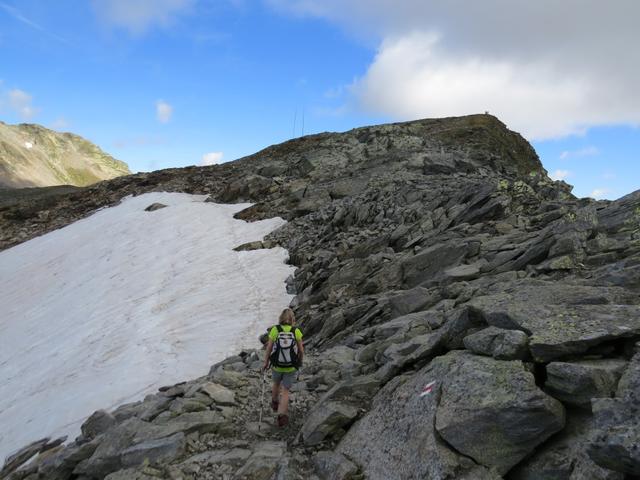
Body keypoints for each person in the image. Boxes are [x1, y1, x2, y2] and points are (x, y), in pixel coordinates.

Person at [262, 308, 304, 427]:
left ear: (281, 318)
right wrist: (299, 361)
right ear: (292, 319)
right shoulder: (296, 331)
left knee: (276, 384)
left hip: (277, 365)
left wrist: (266, 362)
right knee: (285, 391)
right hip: (291, 366)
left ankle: (275, 402)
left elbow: (269, 348)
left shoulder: (275, 330)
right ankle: (282, 417)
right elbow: (301, 350)